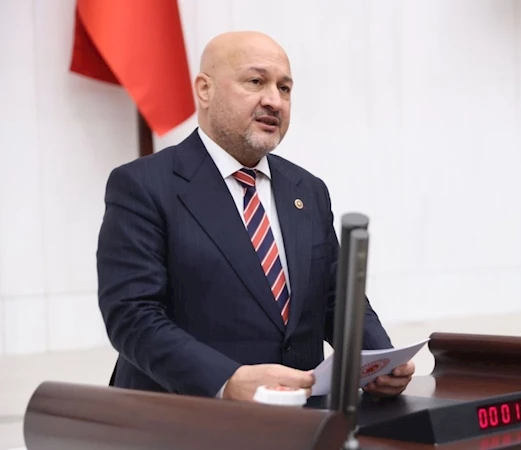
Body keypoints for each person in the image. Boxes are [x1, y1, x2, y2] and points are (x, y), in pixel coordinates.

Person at [96, 31, 414, 402]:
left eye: (285, 88)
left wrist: (378, 359)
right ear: (205, 90)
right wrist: (226, 381)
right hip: (187, 417)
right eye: (255, 82)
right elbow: (132, 316)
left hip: (302, 417)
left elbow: (334, 298)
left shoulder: (307, 190)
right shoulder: (143, 185)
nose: (274, 101)